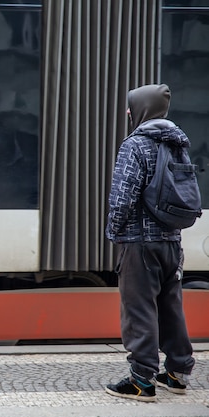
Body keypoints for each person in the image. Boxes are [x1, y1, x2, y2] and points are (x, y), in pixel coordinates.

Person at [105, 84, 195, 402]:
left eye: (131, 107)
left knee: (138, 309)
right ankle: (178, 372)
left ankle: (141, 380)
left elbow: (122, 196)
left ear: (140, 109)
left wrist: (114, 232)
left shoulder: (136, 145)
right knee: (171, 307)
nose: (129, 112)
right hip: (172, 241)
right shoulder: (178, 144)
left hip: (140, 243)